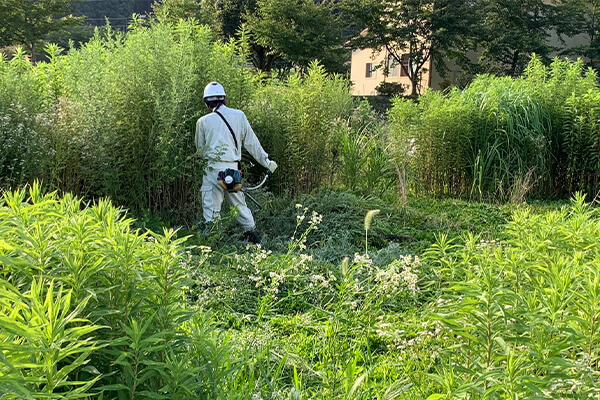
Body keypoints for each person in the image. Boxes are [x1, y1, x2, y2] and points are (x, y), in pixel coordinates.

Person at [195, 81, 277, 243]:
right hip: (232, 170)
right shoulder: (239, 116)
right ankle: (252, 239)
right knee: (239, 205)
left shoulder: (202, 122)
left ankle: (213, 243)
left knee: (211, 209)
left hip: (211, 169)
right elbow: (252, 143)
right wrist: (266, 162)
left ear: (207, 102)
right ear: (224, 99)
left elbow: (200, 151)